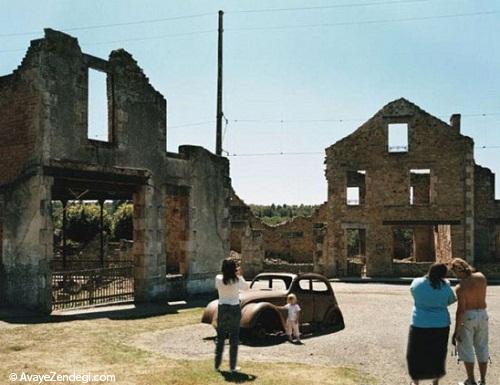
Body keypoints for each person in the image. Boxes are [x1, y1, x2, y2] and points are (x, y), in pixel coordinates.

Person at [407, 263, 457, 385]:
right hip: (440, 324)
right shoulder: (445, 287)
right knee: (437, 354)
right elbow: (452, 300)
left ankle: (416, 381)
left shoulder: (417, 282)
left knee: (415, 353)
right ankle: (435, 381)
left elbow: (412, 292)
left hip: (420, 322)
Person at [450, 258, 489, 385]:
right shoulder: (481, 277)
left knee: (466, 348)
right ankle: (482, 380)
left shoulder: (460, 287)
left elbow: (460, 310)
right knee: (482, 347)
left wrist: (456, 331)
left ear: (457, 271)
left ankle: (471, 380)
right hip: (483, 314)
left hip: (469, 316)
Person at [214, 258, 249, 373]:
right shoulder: (237, 280)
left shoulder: (218, 278)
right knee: (234, 337)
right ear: (234, 269)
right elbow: (246, 288)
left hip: (222, 307)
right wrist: (239, 274)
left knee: (221, 337)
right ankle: (232, 367)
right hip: (234, 307)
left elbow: (217, 287)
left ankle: (217, 365)